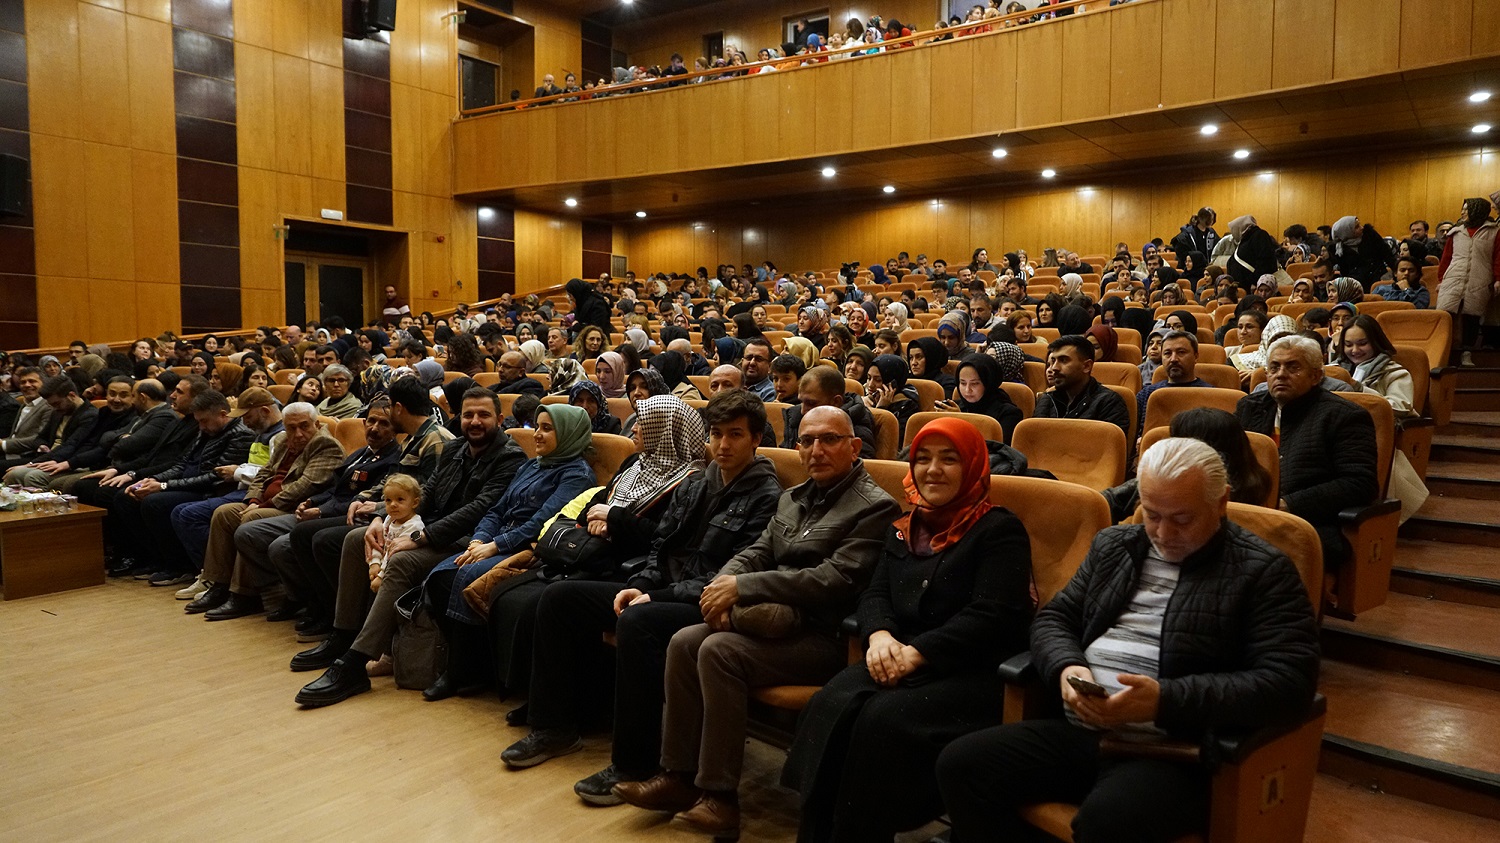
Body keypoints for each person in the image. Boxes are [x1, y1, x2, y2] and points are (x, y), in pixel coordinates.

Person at [937, 437, 1321, 842]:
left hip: (1170, 751)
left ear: (1221, 502)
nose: (1163, 533)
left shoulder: (1263, 571)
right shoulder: (1116, 545)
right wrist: (1068, 668)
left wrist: (1163, 701)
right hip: (1083, 732)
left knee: (1108, 821)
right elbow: (1055, 618)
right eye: (1152, 514)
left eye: (1182, 519)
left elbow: (1288, 683)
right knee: (960, 765)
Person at [613, 406, 902, 838]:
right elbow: (757, 551)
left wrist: (746, 589)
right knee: (684, 641)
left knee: (717, 649)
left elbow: (834, 579)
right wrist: (724, 582)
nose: (815, 450)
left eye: (829, 440)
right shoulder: (795, 496)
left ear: (854, 446)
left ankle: (721, 798)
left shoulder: (874, 506)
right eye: (806, 441)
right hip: (772, 624)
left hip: (823, 635)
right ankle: (677, 777)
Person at [784, 417, 1034, 842]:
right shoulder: (905, 526)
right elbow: (874, 593)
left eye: (949, 459)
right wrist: (879, 635)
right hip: (896, 656)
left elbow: (993, 616)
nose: (933, 470)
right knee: (832, 702)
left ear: (973, 466)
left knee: (881, 721)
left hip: (969, 670)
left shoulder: (998, 530)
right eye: (923, 459)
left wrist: (918, 654)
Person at [291, 387, 528, 703]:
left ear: (499, 419)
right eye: (468, 414)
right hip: (427, 529)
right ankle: (344, 635)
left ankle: (354, 663)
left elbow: (481, 508)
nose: (474, 421)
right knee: (355, 539)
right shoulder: (456, 448)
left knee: (401, 561)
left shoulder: (510, 457)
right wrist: (385, 519)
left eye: (483, 415)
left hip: (466, 540)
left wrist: (419, 538)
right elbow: (426, 493)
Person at [420, 404, 597, 701]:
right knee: (440, 575)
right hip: (495, 539)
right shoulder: (532, 465)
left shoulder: (577, 475)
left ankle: (460, 672)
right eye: (537, 427)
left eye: (547, 429)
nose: (537, 435)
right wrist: (479, 539)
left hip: (527, 547)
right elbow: (497, 509)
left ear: (568, 434)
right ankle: (473, 667)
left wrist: (496, 545)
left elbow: (542, 522)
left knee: (467, 573)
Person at [1237, 336, 1379, 581]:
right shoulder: (1249, 407)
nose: (1280, 374)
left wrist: (1288, 503)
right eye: (1274, 367)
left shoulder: (1345, 416)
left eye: (1293, 367)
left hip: (1309, 524)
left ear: (1316, 377)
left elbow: (1360, 483)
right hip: (1249, 515)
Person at [185, 401, 345, 619]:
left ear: (316, 424)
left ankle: (242, 594)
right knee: (223, 513)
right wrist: (252, 498)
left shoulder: (326, 445)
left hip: (292, 507)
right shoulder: (281, 439)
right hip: (264, 503)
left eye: (304, 426)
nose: (297, 433)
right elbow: (264, 474)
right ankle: (218, 584)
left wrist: (262, 505)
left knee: (252, 518)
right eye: (291, 427)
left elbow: (304, 486)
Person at [1436, 195, 1500, 366]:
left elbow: (1497, 257)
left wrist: (1497, 279)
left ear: (1476, 210)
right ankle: (1441, 351)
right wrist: (1441, 278)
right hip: (1453, 278)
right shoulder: (1456, 231)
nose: (1463, 212)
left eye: (1466, 209)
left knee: (1471, 317)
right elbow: (1446, 257)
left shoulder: (1494, 231)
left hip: (1479, 279)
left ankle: (1466, 352)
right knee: (1445, 315)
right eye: (1462, 209)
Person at [1033, 336, 1130, 440]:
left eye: (1063, 360)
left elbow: (1108, 450)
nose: (1054, 368)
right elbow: (1035, 443)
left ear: (1087, 366)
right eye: (1053, 361)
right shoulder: (1047, 399)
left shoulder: (1109, 403)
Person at [782, 366, 877, 458]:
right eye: (801, 402)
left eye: (811, 403)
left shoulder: (858, 431)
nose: (802, 411)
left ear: (836, 402)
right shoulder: (795, 420)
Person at [1336, 314, 1419, 419]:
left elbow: (1401, 408)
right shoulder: (1336, 370)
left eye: (1362, 343)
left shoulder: (1395, 373)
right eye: (1348, 345)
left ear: (1376, 342)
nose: (1355, 350)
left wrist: (1359, 389)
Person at [1136, 331, 1210, 427]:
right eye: (1167, 353)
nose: (1173, 359)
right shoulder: (1146, 394)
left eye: (1181, 352)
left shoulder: (1210, 394)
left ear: (1196, 357)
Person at [945, 353, 1022, 444]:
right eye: (963, 383)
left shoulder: (1009, 414)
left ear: (988, 383)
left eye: (975, 384)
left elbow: (996, 449)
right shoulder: (953, 407)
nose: (967, 390)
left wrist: (961, 419)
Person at [861, 354, 920, 443]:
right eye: (869, 378)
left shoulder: (908, 406)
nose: (870, 385)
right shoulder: (865, 400)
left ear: (893, 383)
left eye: (878, 380)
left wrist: (881, 410)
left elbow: (887, 441)